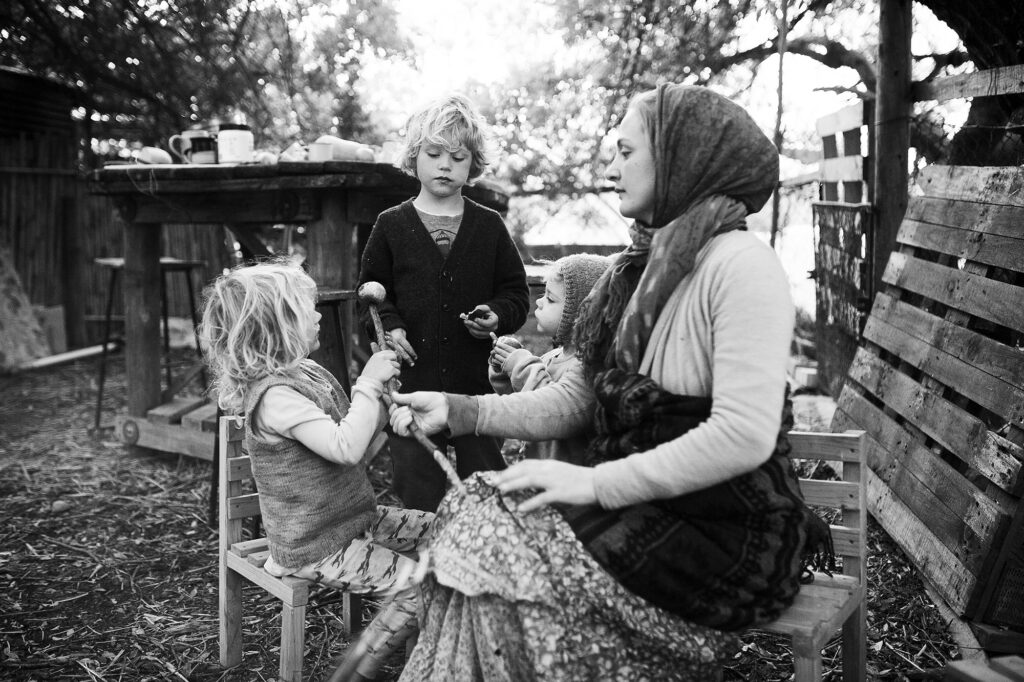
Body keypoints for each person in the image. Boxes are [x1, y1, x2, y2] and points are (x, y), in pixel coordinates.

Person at [389, 84, 830, 680]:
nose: (610, 167)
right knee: (475, 508)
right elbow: (579, 399)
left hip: (722, 532)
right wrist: (460, 409)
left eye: (626, 152)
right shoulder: (634, 273)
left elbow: (744, 436)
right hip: (646, 503)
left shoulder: (739, 264)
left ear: (681, 156)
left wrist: (594, 484)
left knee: (487, 539)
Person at [198, 260, 433, 682]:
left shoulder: (305, 372)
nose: (320, 314)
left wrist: (390, 405)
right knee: (424, 587)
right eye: (309, 309)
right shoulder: (275, 398)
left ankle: (420, 651)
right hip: (315, 545)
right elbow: (346, 448)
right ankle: (356, 670)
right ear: (277, 326)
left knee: (448, 526)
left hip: (353, 521)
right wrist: (367, 384)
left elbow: (349, 427)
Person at [357, 94, 530, 513]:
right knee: (417, 484)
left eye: (458, 156)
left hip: (476, 387)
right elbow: (369, 293)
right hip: (411, 384)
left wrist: (497, 316)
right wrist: (392, 327)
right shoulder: (391, 225)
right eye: (433, 154)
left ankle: (480, 557)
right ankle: (426, 559)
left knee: (486, 483)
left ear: (474, 164)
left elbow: (516, 293)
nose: (445, 165)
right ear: (414, 157)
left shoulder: (488, 226)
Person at [488, 253, 610, 462]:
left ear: (580, 312)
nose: (539, 302)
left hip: (567, 483)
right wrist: (504, 367)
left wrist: (521, 364)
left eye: (551, 299)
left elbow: (550, 408)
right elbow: (523, 403)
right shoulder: (552, 357)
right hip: (538, 473)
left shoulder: (586, 367)